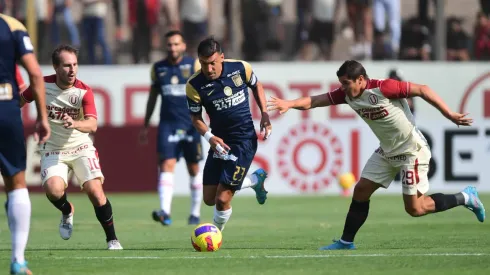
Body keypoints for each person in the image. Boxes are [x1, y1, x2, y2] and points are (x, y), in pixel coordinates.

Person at [267, 60, 485, 250]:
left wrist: (450, 114)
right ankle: (345, 242)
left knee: (415, 209)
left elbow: (424, 89)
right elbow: (315, 101)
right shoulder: (347, 95)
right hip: (387, 150)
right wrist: (289, 103)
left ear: (360, 79)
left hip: (411, 150)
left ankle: (466, 197)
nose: (342, 88)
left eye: (346, 83)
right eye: (341, 83)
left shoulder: (384, 88)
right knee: (361, 190)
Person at [20, 44, 123, 250]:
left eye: (75, 64)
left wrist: (75, 123)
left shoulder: (83, 91)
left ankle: (112, 239)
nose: (72, 70)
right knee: (53, 190)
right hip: (53, 149)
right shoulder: (41, 84)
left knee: (95, 192)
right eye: (67, 65)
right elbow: (19, 102)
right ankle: (67, 210)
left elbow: (92, 124)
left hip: (80, 147)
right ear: (56, 67)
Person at [186, 37, 271, 231]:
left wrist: (265, 114)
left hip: (244, 141)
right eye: (203, 64)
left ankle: (215, 236)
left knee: (222, 199)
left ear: (222, 58)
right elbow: (195, 118)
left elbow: (257, 86)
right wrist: (210, 137)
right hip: (219, 142)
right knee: (208, 198)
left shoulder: (241, 68)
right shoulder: (194, 85)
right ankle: (255, 180)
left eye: (212, 63)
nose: (208, 69)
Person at [1, 13, 50, 275]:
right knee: (16, 184)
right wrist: (42, 118)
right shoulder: (12, 26)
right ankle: (18, 261)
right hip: (5, 107)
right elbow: (34, 73)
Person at [140, 30, 203, 226]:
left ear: (183, 46)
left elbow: (205, 92)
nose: (173, 48)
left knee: (193, 168)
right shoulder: (158, 68)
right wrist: (145, 123)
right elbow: (153, 97)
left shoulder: (193, 65)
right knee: (166, 165)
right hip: (168, 125)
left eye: (176, 44)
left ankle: (195, 213)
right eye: (169, 45)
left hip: (191, 124)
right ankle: (165, 212)